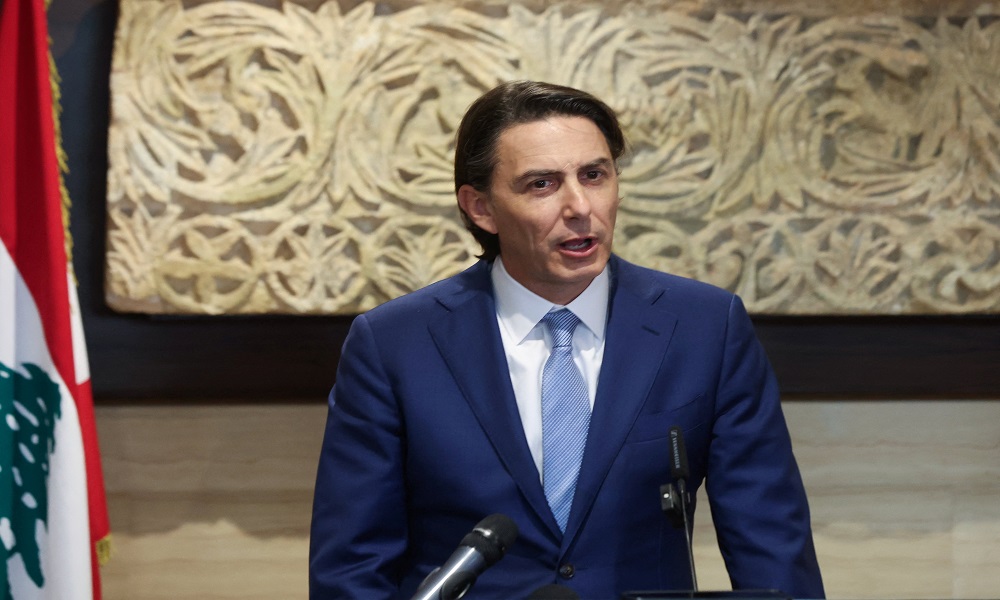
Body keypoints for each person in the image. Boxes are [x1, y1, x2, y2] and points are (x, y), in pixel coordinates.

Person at [309, 80, 824, 599]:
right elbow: (352, 566)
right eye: (542, 184)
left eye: (594, 175)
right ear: (480, 207)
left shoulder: (705, 327)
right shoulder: (394, 344)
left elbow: (771, 543)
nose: (580, 206)